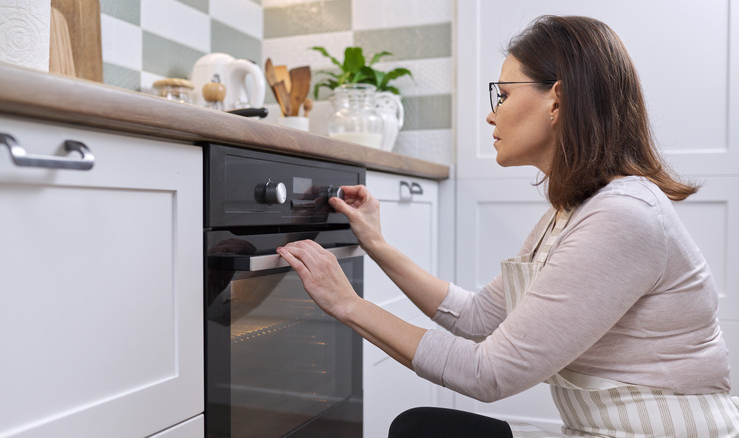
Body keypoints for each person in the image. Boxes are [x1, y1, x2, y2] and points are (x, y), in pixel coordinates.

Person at [277, 15, 739, 437]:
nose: (491, 113)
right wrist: (377, 244)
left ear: (556, 100)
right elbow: (479, 318)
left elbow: (488, 373)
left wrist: (347, 304)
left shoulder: (624, 215)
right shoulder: (569, 214)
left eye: (503, 94)